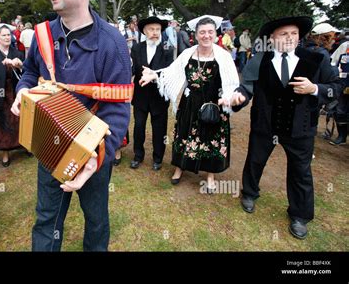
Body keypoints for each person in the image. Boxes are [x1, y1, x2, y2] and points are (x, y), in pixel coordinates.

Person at [11, 0, 131, 251]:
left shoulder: (111, 41)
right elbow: (29, 71)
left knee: (96, 219)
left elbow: (118, 103)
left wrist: (96, 156)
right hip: (48, 145)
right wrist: (22, 89)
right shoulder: (42, 35)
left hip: (94, 149)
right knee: (46, 219)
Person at [230, 16, 340, 239]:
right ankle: (250, 193)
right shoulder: (260, 59)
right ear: (272, 38)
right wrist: (237, 99)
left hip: (300, 127)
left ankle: (300, 215)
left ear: (299, 36)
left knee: (301, 171)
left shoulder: (316, 58)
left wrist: (315, 88)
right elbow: (246, 87)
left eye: (293, 33)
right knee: (255, 160)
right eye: (283, 34)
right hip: (265, 124)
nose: (289, 38)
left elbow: (336, 87)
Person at [139, 15, 239, 191]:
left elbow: (232, 83)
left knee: (211, 139)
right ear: (196, 34)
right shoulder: (188, 53)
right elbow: (170, 72)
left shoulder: (224, 56)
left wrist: (229, 98)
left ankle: (209, 176)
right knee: (184, 135)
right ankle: (179, 168)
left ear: (215, 34)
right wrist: (154, 75)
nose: (206, 35)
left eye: (210, 32)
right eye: (202, 32)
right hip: (190, 103)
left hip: (214, 105)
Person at [130, 16, 172, 171]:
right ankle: (138, 155)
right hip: (140, 96)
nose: (155, 32)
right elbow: (134, 70)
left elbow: (170, 72)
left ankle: (158, 158)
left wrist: (154, 77)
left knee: (159, 128)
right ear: (144, 31)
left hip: (159, 96)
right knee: (139, 126)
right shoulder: (137, 48)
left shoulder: (168, 49)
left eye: (158, 29)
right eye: (151, 29)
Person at [0, 23, 24, 167]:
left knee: (20, 119)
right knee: (3, 122)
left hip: (16, 92)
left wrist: (18, 65)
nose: (7, 37)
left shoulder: (17, 53)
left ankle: (25, 144)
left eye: (9, 35)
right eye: (4, 35)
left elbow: (26, 71)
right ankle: (5, 153)